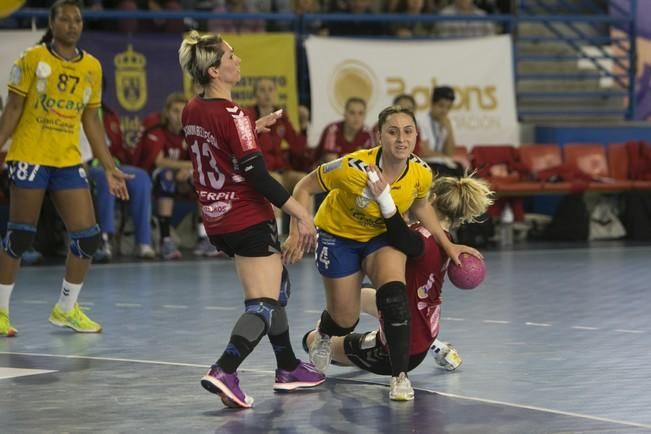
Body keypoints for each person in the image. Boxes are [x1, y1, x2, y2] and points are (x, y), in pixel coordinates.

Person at [283, 105, 481, 401]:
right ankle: (324, 334)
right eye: (393, 132)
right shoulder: (352, 167)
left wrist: (447, 243)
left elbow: (420, 205)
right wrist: (298, 226)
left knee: (394, 298)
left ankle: (399, 378)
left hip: (379, 237)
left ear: (415, 136)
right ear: (379, 136)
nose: (401, 139)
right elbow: (303, 186)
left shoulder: (420, 172)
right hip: (339, 237)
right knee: (344, 320)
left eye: (408, 131)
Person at [178, 30, 324, 409]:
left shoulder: (191, 108)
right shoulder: (234, 115)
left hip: (217, 219)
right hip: (247, 216)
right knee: (263, 303)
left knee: (278, 292)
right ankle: (225, 369)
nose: (237, 60)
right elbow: (258, 177)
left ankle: (289, 367)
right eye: (230, 57)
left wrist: (251, 131)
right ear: (214, 71)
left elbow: (216, 145)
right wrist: (301, 214)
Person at [0, 0, 131, 337]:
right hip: (30, 155)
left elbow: (92, 120)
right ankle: (0, 311)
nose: (73, 25)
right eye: (66, 19)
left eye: (78, 20)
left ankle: (66, 309)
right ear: (53, 23)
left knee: (87, 239)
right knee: (20, 235)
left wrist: (108, 165)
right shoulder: (32, 59)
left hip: (68, 159)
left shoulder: (92, 66)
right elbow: (13, 110)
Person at [303, 173, 494, 380]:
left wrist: (384, 199)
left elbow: (398, 236)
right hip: (424, 333)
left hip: (392, 353)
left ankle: (325, 334)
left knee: (309, 340)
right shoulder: (446, 240)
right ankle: (437, 346)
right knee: (366, 293)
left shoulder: (422, 239)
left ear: (431, 200)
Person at [417, 86, 465, 178]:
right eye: (441, 106)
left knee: (461, 171)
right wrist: (443, 155)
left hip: (442, 163)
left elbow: (449, 153)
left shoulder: (448, 122)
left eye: (448, 107)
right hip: (425, 163)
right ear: (432, 104)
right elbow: (422, 152)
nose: (444, 111)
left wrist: (449, 129)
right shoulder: (420, 121)